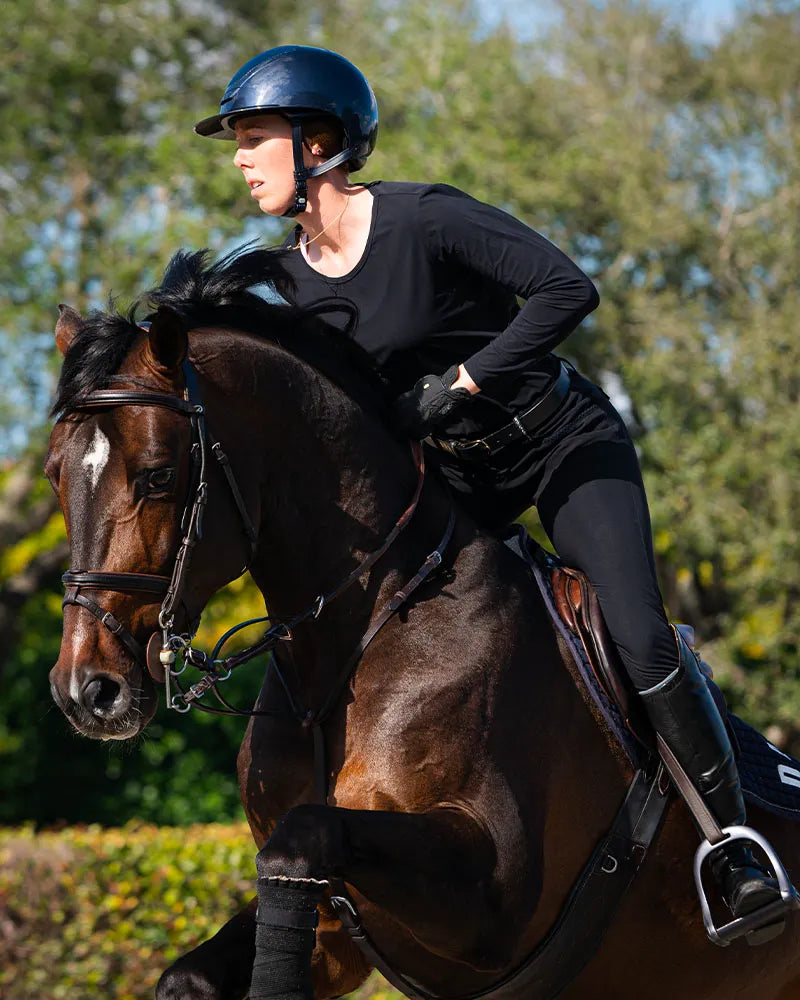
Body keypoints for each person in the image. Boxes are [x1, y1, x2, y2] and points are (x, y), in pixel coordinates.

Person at [195, 44, 790, 941]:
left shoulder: (424, 219)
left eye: (253, 136)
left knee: (630, 627)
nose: (239, 157)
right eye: (236, 140)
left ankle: (734, 845)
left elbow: (566, 288)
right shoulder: (281, 283)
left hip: (560, 445)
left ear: (317, 142)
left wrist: (464, 379)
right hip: (461, 478)